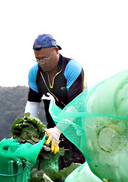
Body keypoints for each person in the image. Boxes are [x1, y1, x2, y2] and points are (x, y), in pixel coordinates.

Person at [24, 34, 86, 166]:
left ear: (56, 51)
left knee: (77, 165)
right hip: (53, 127)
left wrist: (58, 130)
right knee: (57, 168)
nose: (41, 63)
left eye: (44, 58)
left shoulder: (72, 68)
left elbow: (75, 106)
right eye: (38, 59)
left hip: (79, 126)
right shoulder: (35, 73)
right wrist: (27, 129)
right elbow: (33, 103)